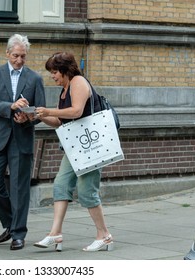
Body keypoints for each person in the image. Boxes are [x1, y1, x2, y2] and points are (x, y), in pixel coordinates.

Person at [33, 51, 113, 252]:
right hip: (77, 147)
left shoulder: (78, 82)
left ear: (64, 69)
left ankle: (104, 235)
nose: (52, 76)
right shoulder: (64, 89)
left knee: (87, 190)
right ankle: (55, 233)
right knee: (60, 185)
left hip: (91, 147)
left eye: (54, 72)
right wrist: (39, 116)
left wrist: (49, 111)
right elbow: (60, 121)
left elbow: (76, 111)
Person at [0, 34, 46, 250]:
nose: (19, 60)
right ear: (8, 53)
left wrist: (27, 118)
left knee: (20, 188)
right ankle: (10, 223)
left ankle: (19, 234)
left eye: (23, 56)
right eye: (16, 56)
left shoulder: (35, 79)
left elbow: (40, 112)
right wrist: (11, 107)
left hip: (22, 138)